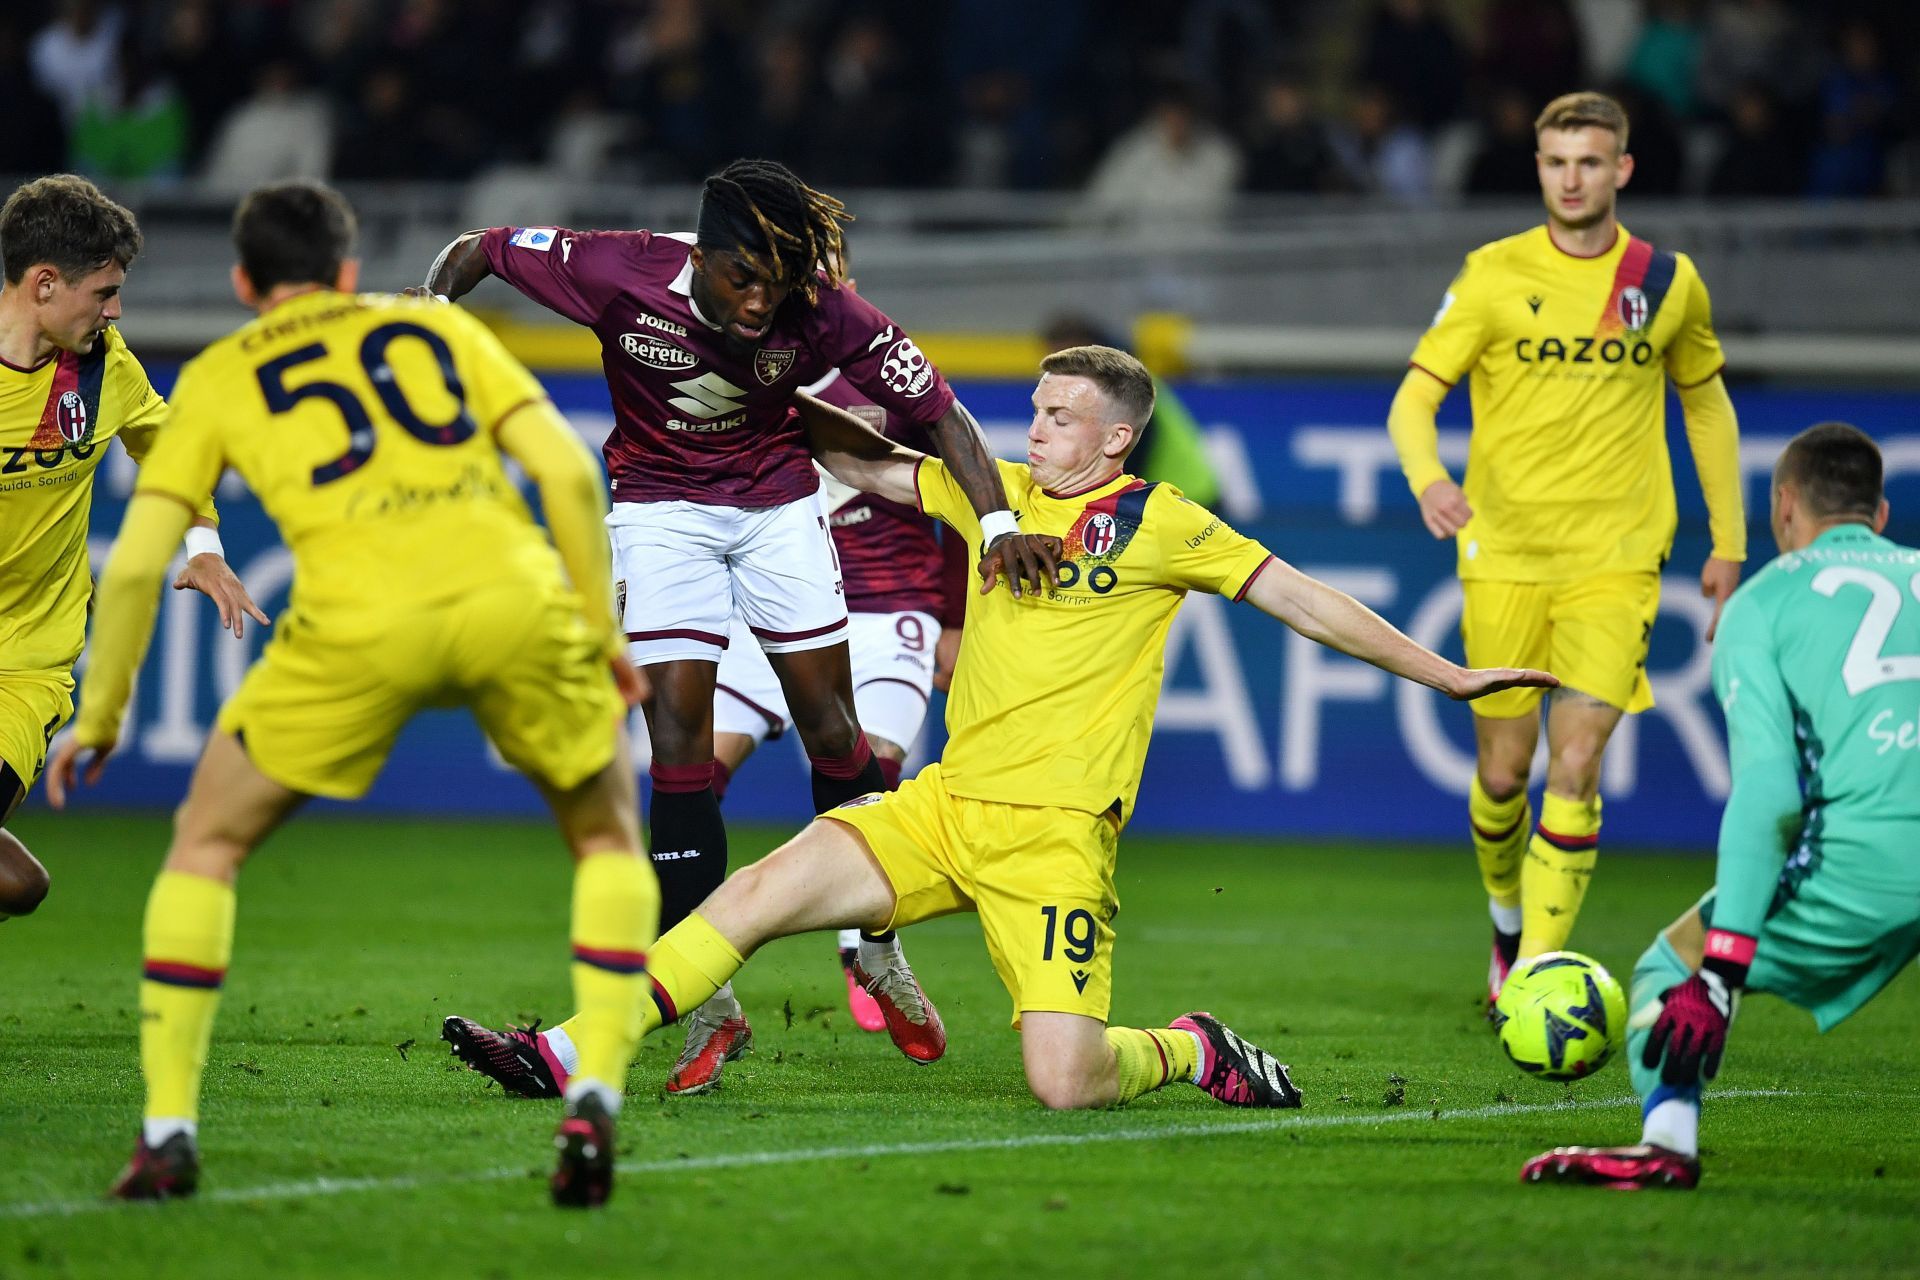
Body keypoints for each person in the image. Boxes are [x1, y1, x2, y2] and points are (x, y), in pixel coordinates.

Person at [607, 344, 1554, 1113]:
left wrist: (1449, 674)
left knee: (1065, 1084)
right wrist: (754, 378)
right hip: (943, 811)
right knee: (757, 892)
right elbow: (860, 461)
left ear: (1117, 437)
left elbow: (1306, 603)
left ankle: (1187, 1050)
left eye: (1059, 415)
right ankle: (578, 1049)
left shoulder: (1162, 523)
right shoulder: (997, 497)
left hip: (1057, 836)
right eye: (1036, 408)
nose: (1035, 425)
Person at [46, 180, 657, 1210]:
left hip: (356, 628)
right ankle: (594, 1085)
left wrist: (102, 710)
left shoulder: (225, 373)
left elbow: (147, 554)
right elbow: (563, 468)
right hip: (510, 598)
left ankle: (167, 1133)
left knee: (205, 843)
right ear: (345, 267)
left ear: (244, 282)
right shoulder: (433, 331)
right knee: (603, 837)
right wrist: (600, 630)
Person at [418, 159, 1055, 1085]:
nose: (761, 301)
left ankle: (874, 944)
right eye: (742, 278)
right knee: (675, 746)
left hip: (778, 510)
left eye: (778, 282)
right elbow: (474, 251)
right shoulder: (614, 269)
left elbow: (942, 413)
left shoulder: (826, 307)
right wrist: (431, 310)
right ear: (701, 255)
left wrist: (997, 522)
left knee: (835, 735)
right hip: (658, 513)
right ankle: (705, 1000)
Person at [440, 361, 968, 1100]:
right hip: (763, 602)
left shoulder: (884, 370)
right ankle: (711, 1007)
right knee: (688, 781)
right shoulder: (714, 359)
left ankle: (871, 949)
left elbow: (949, 491)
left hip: (888, 610)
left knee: (870, 763)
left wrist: (953, 617)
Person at [1385, 91, 1746, 1007]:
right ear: (1539, 168)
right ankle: (1507, 923)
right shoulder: (1494, 274)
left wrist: (1728, 539)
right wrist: (1430, 477)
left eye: (1590, 161)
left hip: (1617, 555)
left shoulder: (1667, 282)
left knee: (1577, 759)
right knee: (1504, 770)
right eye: (1556, 162)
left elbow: (1705, 404)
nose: (1572, 178)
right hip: (1503, 552)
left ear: (1621, 169)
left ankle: (1537, 967)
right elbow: (1415, 398)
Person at [1524, 423, 1920, 1190]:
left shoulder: (1763, 605)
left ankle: (1667, 1143)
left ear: (1783, 508)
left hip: (1876, 857)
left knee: (1670, 964)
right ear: (1880, 515)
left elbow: (1771, 800)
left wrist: (1719, 973)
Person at [0, 173, 258, 925]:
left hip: (23, 668)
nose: (115, 310)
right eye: (103, 291)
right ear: (45, 284)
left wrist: (204, 544)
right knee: (20, 886)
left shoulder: (101, 364)